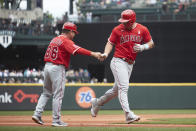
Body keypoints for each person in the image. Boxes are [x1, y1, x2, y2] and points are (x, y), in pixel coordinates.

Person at [90, 9, 154, 124]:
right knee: (124, 87)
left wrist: (143, 47)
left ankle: (97, 103)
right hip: (118, 61)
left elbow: (151, 43)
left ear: (132, 20)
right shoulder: (117, 29)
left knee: (116, 91)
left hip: (130, 64)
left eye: (126, 21)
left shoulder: (142, 29)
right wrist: (105, 53)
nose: (123, 23)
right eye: (122, 21)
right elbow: (110, 43)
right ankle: (128, 114)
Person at [32, 22, 101, 127]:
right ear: (70, 32)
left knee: (46, 93)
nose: (74, 35)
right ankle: (56, 120)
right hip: (57, 68)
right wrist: (93, 53)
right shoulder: (65, 40)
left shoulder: (54, 39)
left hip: (47, 67)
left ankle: (37, 114)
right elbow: (78, 50)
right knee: (58, 95)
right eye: (74, 32)